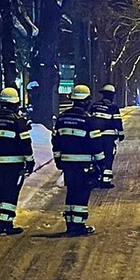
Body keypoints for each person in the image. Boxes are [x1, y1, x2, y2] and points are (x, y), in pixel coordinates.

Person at [0, 87, 35, 235]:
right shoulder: (18, 121)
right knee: (10, 194)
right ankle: (6, 224)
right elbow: (25, 144)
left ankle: (0, 219)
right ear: (15, 104)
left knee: (1, 191)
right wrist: (30, 162)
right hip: (14, 166)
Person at [52, 85, 101, 236]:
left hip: (67, 163)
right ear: (86, 101)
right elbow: (96, 144)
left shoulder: (62, 118)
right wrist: (100, 163)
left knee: (71, 191)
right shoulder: (89, 119)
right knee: (82, 192)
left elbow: (56, 140)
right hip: (84, 163)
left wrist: (58, 159)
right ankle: (78, 225)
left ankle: (70, 223)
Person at [89, 84, 125, 189]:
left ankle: (96, 177)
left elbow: (89, 119)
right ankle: (106, 180)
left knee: (96, 156)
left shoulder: (94, 105)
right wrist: (121, 134)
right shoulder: (113, 107)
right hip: (108, 138)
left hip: (94, 136)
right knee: (108, 157)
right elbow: (118, 122)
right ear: (112, 96)